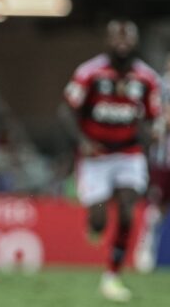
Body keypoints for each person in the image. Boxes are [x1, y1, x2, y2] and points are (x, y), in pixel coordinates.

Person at [63, 20, 164, 302]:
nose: (122, 44)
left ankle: (112, 277)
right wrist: (81, 140)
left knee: (128, 211)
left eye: (127, 39)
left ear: (135, 43)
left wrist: (151, 136)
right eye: (117, 39)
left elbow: (155, 117)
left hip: (129, 153)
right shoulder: (89, 73)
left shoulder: (146, 78)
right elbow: (66, 111)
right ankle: (94, 223)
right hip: (96, 156)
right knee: (99, 221)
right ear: (107, 42)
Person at [135, 54, 170, 273]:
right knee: (156, 208)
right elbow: (145, 116)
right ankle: (144, 250)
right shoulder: (158, 86)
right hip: (162, 159)